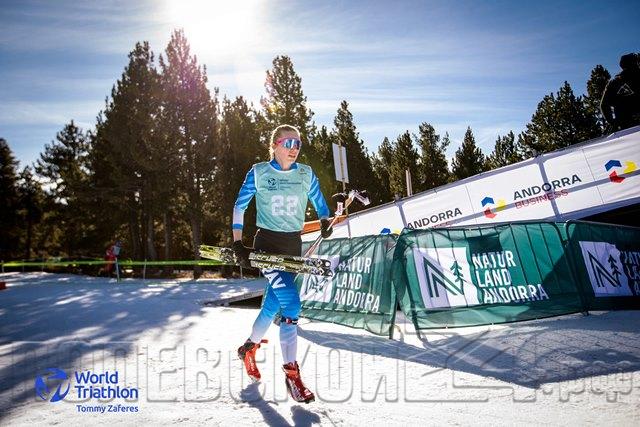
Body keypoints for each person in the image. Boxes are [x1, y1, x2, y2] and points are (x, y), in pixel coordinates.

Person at [232, 124, 333, 403]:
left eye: (298, 144)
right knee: (292, 305)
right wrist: (238, 243)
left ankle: (248, 348)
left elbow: (320, 202)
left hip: (292, 247)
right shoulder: (259, 172)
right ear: (275, 145)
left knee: (272, 306)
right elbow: (240, 206)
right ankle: (292, 376)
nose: (294, 149)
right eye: (288, 143)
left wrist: (325, 221)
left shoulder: (305, 174)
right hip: (267, 248)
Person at [601, 53, 640, 132]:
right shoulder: (614, 82)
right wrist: (612, 122)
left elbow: (604, 105)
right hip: (627, 124)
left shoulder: (613, 83)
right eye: (636, 62)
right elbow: (604, 105)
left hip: (625, 126)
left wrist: (612, 122)